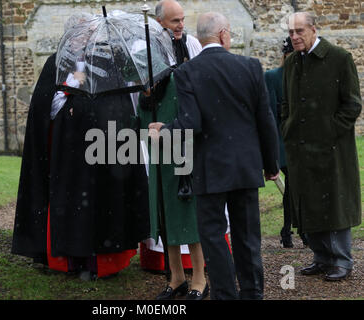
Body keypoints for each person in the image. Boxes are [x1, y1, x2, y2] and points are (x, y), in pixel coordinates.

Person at [149, 12, 280, 300]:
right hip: (245, 166)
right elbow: (265, 121)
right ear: (223, 34)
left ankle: (224, 295)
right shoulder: (250, 66)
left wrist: (163, 129)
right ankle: (252, 293)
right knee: (247, 237)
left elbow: (190, 124)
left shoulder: (187, 72)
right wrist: (271, 164)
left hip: (209, 167)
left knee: (213, 237)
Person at [12, 14, 150, 280]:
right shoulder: (56, 63)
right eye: (82, 34)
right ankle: (74, 260)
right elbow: (46, 111)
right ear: (71, 36)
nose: (87, 39)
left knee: (105, 202)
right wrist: (73, 85)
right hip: (69, 153)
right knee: (74, 206)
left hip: (104, 147)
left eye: (89, 34)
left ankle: (105, 262)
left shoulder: (106, 60)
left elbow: (121, 102)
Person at [281, 12, 362, 281]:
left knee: (334, 203)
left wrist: (329, 133)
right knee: (309, 203)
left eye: (299, 31)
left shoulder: (339, 58)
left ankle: (341, 260)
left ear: (314, 30)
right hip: (301, 149)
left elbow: (352, 105)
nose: (294, 37)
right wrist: (288, 128)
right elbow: (286, 104)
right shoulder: (292, 62)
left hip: (333, 150)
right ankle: (321, 257)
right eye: (291, 32)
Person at [138, 66, 209, 300]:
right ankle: (177, 278)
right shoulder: (145, 95)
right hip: (159, 165)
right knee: (166, 221)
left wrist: (165, 130)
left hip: (182, 164)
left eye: (147, 77)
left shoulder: (176, 85)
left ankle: (200, 279)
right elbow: (140, 125)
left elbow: (189, 122)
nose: (144, 83)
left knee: (188, 221)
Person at [264, 37, 308, 248]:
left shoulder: (305, 76)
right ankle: (299, 229)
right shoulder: (272, 77)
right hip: (283, 142)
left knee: (297, 186)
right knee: (294, 183)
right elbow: (271, 112)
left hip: (305, 141)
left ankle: (289, 229)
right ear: (285, 56)